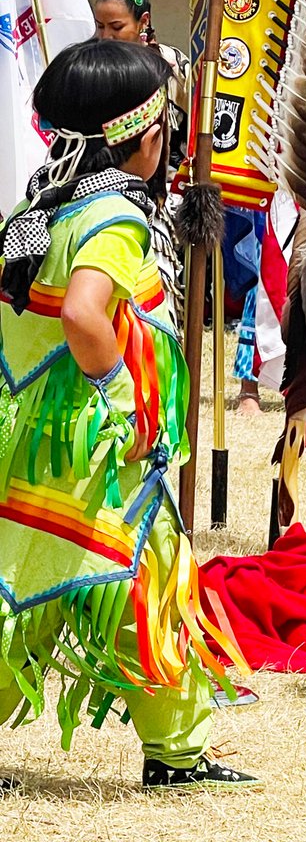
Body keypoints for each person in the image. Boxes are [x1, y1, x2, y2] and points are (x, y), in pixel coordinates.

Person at [0, 39, 258, 789]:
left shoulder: (39, 204)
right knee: (114, 581)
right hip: (89, 443)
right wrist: (117, 393)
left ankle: (176, 751)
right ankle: (176, 753)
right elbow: (84, 314)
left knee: (74, 579)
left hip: (38, 436)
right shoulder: (115, 215)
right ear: (146, 139)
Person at [94, 0, 190, 330]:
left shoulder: (171, 65)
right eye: (100, 26)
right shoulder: (91, 65)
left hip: (156, 200)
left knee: (152, 305)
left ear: (143, 22)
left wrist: (175, 189)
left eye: (117, 27)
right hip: (96, 198)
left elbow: (186, 135)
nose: (105, 36)